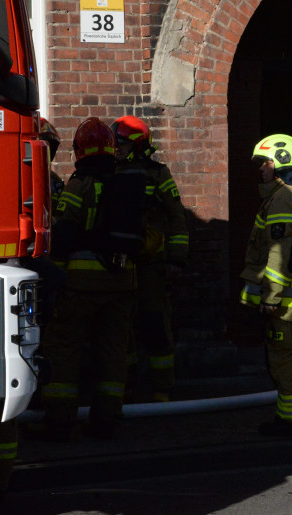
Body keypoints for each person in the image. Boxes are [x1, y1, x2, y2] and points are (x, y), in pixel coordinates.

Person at [30, 117, 137, 440]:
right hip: (123, 282)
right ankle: (107, 417)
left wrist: (54, 274)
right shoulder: (126, 184)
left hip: (81, 286)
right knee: (113, 350)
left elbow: (65, 233)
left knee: (64, 348)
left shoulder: (80, 185)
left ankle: (58, 420)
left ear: (79, 150)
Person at [239, 134, 292, 437]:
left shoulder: (284, 198)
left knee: (284, 358)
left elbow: (281, 252)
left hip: (285, 300)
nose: (260, 168)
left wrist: (271, 297)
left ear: (280, 163)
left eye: (265, 162)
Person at [112, 115, 188, 402]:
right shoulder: (111, 172)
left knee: (154, 322)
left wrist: (176, 259)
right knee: (122, 325)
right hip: (121, 262)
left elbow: (176, 218)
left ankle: (162, 387)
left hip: (151, 264)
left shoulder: (158, 174)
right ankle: (126, 384)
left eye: (120, 143)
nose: (116, 148)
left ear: (137, 145)